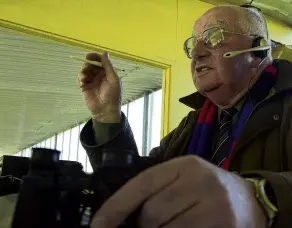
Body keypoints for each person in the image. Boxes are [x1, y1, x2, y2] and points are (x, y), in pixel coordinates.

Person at [77, 5, 292, 228]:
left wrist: (262, 199)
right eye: (193, 44)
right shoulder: (190, 126)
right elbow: (141, 187)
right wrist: (107, 114)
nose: (197, 53)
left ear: (259, 49)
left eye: (214, 37)